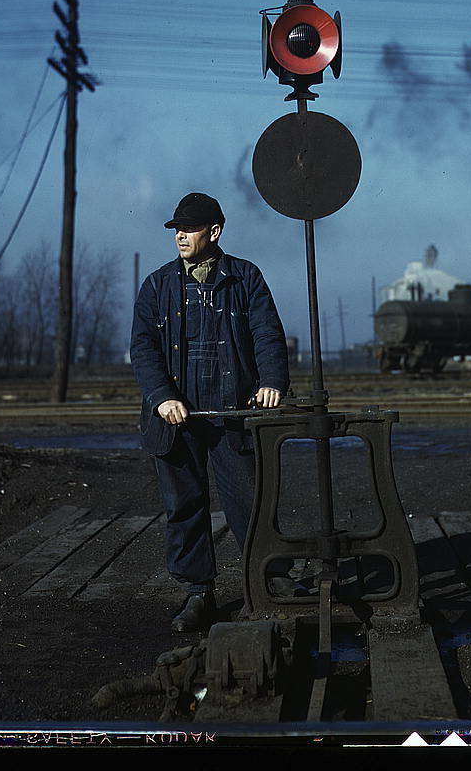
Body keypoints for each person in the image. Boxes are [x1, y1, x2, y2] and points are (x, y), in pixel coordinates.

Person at [130, 192, 289, 632]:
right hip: (175, 420)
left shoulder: (245, 278)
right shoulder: (158, 286)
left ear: (213, 232)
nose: (180, 235)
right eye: (176, 229)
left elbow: (267, 335)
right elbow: (142, 348)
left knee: (250, 503)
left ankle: (272, 581)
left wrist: (272, 381)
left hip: (231, 416)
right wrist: (162, 397)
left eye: (190, 228)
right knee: (184, 507)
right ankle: (198, 595)